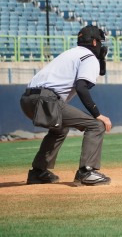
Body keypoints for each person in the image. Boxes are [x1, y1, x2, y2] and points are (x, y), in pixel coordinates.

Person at [19, 26, 112, 186]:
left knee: (60, 128)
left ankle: (38, 172)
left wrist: (100, 60)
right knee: (96, 125)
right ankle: (87, 172)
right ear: (95, 42)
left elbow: (94, 74)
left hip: (27, 99)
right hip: (46, 101)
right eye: (100, 42)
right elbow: (82, 87)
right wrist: (98, 114)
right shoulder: (88, 57)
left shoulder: (71, 53)